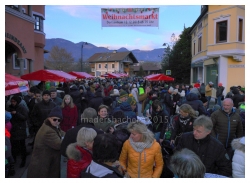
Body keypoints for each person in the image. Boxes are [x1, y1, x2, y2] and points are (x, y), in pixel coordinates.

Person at [27, 106, 65, 178]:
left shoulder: (51, 125)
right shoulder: (48, 131)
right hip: (44, 163)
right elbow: (59, 145)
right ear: (49, 118)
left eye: (59, 120)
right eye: (54, 119)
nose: (57, 121)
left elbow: (61, 133)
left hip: (47, 160)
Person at [8, 96, 29, 168]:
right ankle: (14, 160)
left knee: (22, 145)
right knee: (14, 146)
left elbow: (25, 117)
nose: (13, 103)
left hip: (20, 129)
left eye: (14, 101)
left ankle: (23, 160)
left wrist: (16, 113)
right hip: (13, 129)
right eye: (12, 101)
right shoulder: (9, 108)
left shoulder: (22, 108)